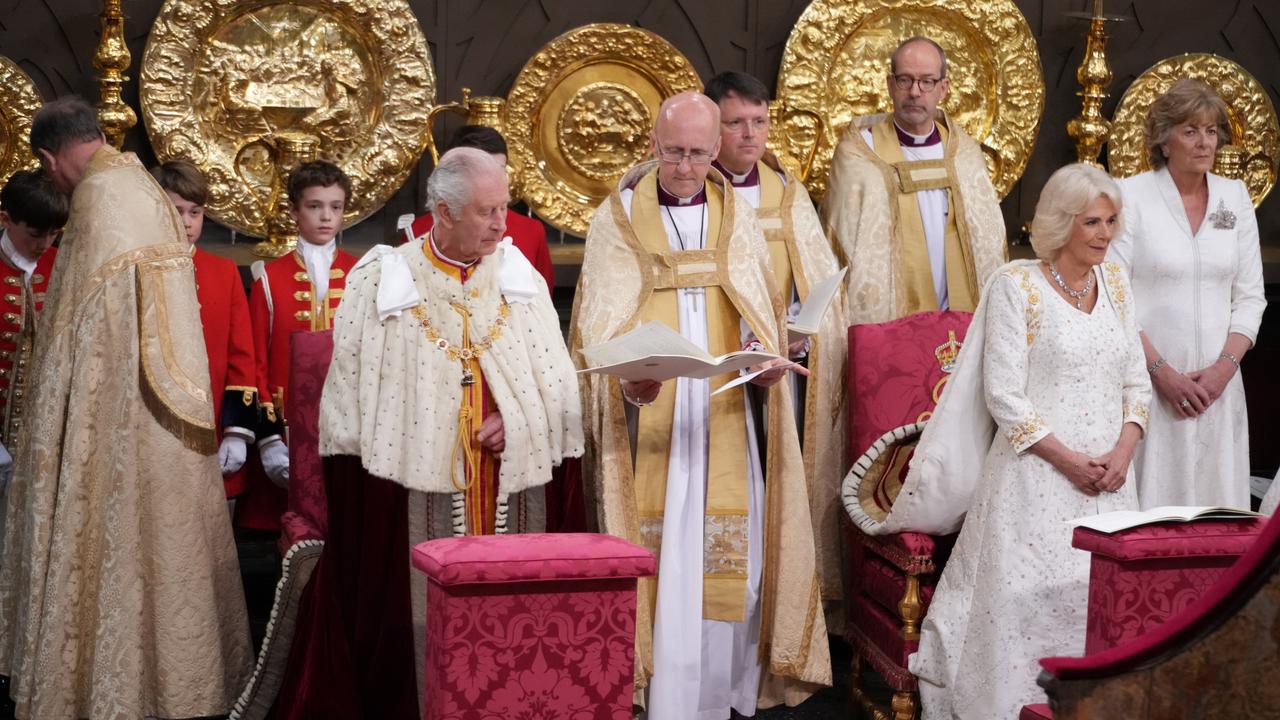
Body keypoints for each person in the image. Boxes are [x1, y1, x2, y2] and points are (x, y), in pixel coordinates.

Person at [272, 147, 582, 719]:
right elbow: (353, 404)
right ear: (442, 212)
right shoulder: (383, 279)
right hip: (411, 498)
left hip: (507, 489)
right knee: (418, 635)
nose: (500, 224)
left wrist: (518, 420)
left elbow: (557, 389)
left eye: (504, 208)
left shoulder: (519, 277)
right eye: (486, 211)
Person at [571, 91, 830, 718]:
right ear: (652, 146)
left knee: (728, 557)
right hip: (651, 414)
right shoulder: (621, 216)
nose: (684, 166)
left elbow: (754, 304)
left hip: (722, 410)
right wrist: (627, 383)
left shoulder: (734, 213)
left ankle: (722, 690)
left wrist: (759, 359)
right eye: (672, 152)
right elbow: (596, 321)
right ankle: (655, 690)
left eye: (696, 153)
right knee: (664, 547)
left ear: (716, 151)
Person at [0, 96, 250, 719]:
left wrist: (55, 433)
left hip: (115, 418)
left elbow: (79, 337)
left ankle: (101, 688)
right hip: (164, 418)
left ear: (49, 158)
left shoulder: (98, 199)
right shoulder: (135, 179)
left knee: (107, 548)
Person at [907, 164, 1150, 719]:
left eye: (1111, 221)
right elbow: (1005, 397)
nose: (1104, 234)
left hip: (1112, 481)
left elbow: (1136, 381)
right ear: (1061, 223)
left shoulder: (1116, 283)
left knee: (1093, 603)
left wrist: (1124, 451)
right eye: (1091, 222)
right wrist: (1069, 461)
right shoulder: (1017, 285)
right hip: (1035, 475)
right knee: (1026, 605)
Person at [704, 70, 849, 625]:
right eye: (735, 122)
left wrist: (800, 329)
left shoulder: (786, 192)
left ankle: (776, 619)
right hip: (716, 371)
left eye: (759, 122)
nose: (749, 134)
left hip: (778, 371)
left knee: (775, 493)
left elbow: (814, 282)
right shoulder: (691, 192)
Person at [1108, 78, 1265, 509]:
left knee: (1218, 515)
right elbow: (1114, 297)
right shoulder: (1130, 196)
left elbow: (1251, 297)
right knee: (1152, 513)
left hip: (1219, 389)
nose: (1204, 142)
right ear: (1163, 140)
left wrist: (1222, 371)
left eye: (1211, 131)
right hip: (1149, 384)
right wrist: (1161, 372)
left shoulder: (1235, 197)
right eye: (1190, 131)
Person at [822, 35, 1007, 324]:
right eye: (905, 80)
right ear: (889, 84)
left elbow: (989, 244)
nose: (915, 92)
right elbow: (842, 243)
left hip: (959, 317)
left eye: (927, 81)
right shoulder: (859, 153)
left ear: (943, 88)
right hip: (890, 322)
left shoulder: (965, 155)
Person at [240, 159, 358, 530]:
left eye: (335, 207)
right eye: (314, 206)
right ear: (294, 211)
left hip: (347, 426)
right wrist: (269, 438)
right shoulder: (269, 279)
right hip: (287, 430)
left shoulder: (363, 273)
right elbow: (255, 363)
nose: (326, 217)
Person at [153, 160, 260, 499]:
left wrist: (237, 430)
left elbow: (241, 354)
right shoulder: (138, 272)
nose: (186, 222)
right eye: (176, 210)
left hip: (212, 419)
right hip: (155, 424)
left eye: (195, 212)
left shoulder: (223, 271)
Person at [408, 125, 554, 287]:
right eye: (480, 171)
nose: (500, 226)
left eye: (499, 170)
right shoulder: (416, 231)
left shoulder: (531, 231)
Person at [0, 170, 64, 449]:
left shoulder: (63, 264)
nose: (44, 244)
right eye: (36, 234)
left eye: (53, 234)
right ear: (6, 219)